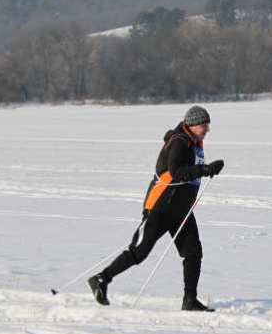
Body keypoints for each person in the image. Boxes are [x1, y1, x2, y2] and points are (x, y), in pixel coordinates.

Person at [87, 105, 225, 311]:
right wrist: (205, 169)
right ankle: (101, 279)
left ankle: (189, 300)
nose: (207, 129)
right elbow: (176, 171)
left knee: (193, 252)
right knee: (139, 252)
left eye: (208, 125)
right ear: (193, 124)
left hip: (182, 211)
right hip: (160, 208)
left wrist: (206, 170)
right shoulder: (179, 141)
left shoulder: (195, 142)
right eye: (204, 125)